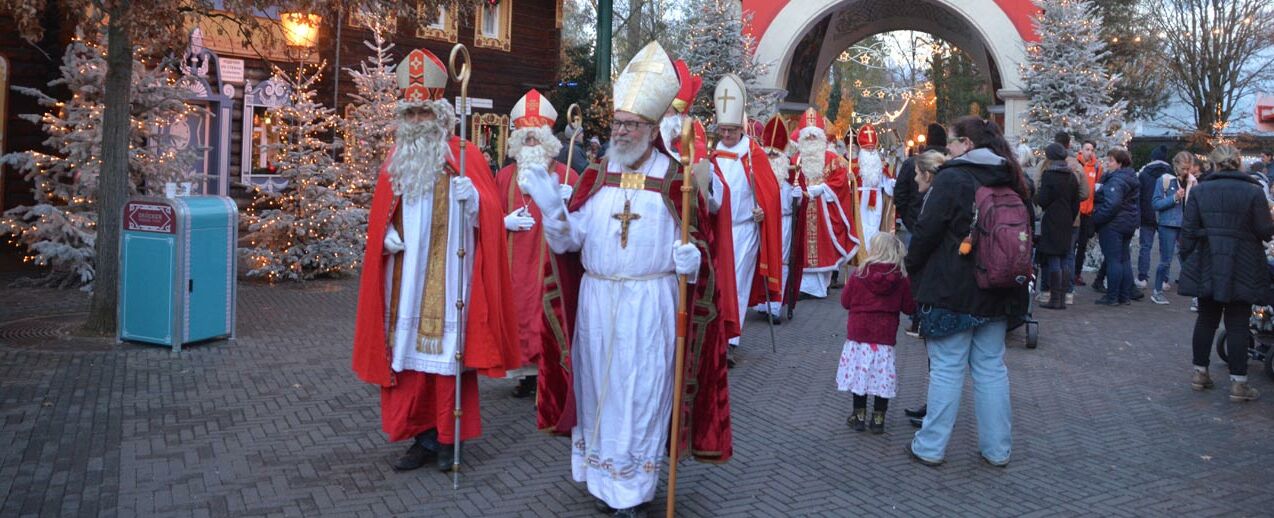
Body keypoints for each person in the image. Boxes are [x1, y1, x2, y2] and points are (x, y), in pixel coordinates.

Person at [520, 41, 732, 517]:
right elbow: (570, 243)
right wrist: (553, 211)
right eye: (617, 123)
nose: (620, 131)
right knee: (599, 391)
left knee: (642, 393)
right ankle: (602, 480)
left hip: (649, 301)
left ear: (653, 129)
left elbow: (703, 243)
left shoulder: (674, 177)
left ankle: (633, 491)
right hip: (597, 301)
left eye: (631, 124)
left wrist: (691, 261)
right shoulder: (596, 175)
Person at [352, 48, 519, 473]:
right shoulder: (396, 160)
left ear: (440, 115)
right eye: (410, 114)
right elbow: (381, 215)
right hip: (405, 280)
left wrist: (476, 200)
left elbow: (493, 222)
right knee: (406, 359)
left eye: (424, 114)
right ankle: (422, 438)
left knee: (447, 361)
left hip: (450, 280)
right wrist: (385, 236)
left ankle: (449, 439)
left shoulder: (465, 157)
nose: (416, 122)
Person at [905, 116, 1030, 467]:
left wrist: (912, 267)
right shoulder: (1013, 178)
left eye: (954, 142)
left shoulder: (953, 178)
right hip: (998, 289)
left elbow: (925, 232)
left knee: (946, 369)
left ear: (968, 145)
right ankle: (997, 449)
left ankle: (930, 447)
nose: (949, 149)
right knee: (991, 369)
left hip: (951, 291)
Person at [494, 89, 580, 398]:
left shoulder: (567, 174)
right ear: (518, 142)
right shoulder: (503, 177)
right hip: (515, 266)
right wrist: (503, 222)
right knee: (518, 318)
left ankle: (549, 378)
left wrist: (571, 203)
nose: (531, 144)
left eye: (536, 139)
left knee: (548, 318)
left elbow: (582, 227)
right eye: (526, 139)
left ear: (548, 141)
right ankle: (526, 377)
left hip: (549, 265)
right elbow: (488, 216)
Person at [1180, 144, 1274, 402]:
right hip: (1242, 262)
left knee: (1206, 319)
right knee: (1238, 323)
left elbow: (1187, 231)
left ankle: (1200, 373)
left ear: (1214, 164)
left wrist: (1190, 259)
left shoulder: (1201, 191)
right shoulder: (1253, 191)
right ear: (1238, 163)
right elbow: (1265, 231)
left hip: (1209, 259)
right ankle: (1238, 384)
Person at [709, 74, 784, 349]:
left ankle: (732, 339)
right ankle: (717, 336)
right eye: (723, 131)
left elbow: (771, 193)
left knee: (737, 284)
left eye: (731, 130)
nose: (726, 135)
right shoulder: (713, 156)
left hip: (743, 231)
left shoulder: (753, 155)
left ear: (740, 129)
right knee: (718, 285)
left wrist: (763, 211)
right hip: (719, 231)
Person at [838, 233, 916, 435]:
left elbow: (845, 302)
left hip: (859, 333)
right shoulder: (900, 278)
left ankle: (859, 415)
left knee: (860, 373)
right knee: (882, 376)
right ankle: (878, 418)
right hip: (884, 335)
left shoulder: (860, 273)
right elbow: (909, 307)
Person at [794, 108, 860, 298]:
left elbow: (840, 184)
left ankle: (819, 288)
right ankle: (803, 286)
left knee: (822, 248)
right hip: (801, 213)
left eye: (815, 137)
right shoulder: (795, 159)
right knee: (801, 248)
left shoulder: (832, 159)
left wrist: (824, 189)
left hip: (824, 214)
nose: (812, 142)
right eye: (808, 138)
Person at [753, 116, 808, 322]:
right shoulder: (759, 172)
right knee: (760, 259)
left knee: (782, 262)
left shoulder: (790, 174)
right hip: (761, 221)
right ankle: (761, 302)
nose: (772, 159)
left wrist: (799, 196)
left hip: (782, 223)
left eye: (776, 155)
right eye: (769, 155)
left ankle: (774, 306)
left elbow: (803, 197)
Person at [1034, 143, 1081, 309]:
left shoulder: (1049, 175)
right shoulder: (1071, 176)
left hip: (1052, 219)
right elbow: (1076, 202)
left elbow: (1043, 199)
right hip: (1067, 219)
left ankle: (1054, 299)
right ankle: (1062, 296)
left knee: (1054, 256)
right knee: (1064, 257)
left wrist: (1036, 197)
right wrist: (1069, 216)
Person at [1092, 148, 1139, 306]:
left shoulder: (1116, 180)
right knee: (1123, 259)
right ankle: (1124, 296)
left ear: (1120, 163)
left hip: (1114, 224)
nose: (1107, 163)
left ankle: (1112, 296)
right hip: (1127, 223)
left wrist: (1097, 217)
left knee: (1113, 261)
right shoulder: (1129, 178)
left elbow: (1112, 204)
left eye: (1111, 160)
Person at [1147, 151, 1196, 304]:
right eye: (1183, 168)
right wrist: (1174, 198)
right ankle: (1157, 291)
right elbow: (1155, 204)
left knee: (1189, 260)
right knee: (1166, 260)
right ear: (1176, 166)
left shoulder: (1192, 182)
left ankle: (1196, 295)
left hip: (1186, 225)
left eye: (1189, 169)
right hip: (1168, 224)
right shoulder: (1165, 180)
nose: (1186, 172)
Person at [894, 123, 948, 243]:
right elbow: (900, 194)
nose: (916, 179)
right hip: (923, 224)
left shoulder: (911, 163)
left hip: (915, 222)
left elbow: (900, 194)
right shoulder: (950, 164)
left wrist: (908, 220)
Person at [851, 123, 894, 251]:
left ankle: (873, 251)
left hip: (877, 199)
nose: (870, 151)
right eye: (867, 149)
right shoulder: (853, 166)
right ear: (862, 149)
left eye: (872, 148)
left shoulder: (881, 166)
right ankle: (862, 252)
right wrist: (850, 179)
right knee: (862, 225)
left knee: (875, 223)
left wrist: (895, 183)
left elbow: (888, 185)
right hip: (861, 199)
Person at [1136, 145, 1173, 289]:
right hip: (1165, 213)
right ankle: (1164, 280)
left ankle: (1142, 277)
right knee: (1165, 248)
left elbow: (1139, 196)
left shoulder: (1144, 173)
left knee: (1145, 247)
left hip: (1147, 213)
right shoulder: (1171, 173)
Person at [1074, 139, 1101, 288]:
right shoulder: (1076, 165)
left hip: (1088, 213)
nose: (1089, 152)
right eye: (1087, 149)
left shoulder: (1096, 167)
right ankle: (1069, 272)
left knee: (1082, 245)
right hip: (1075, 211)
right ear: (1081, 150)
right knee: (1072, 245)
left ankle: (1077, 274)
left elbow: (1097, 188)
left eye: (1091, 149)